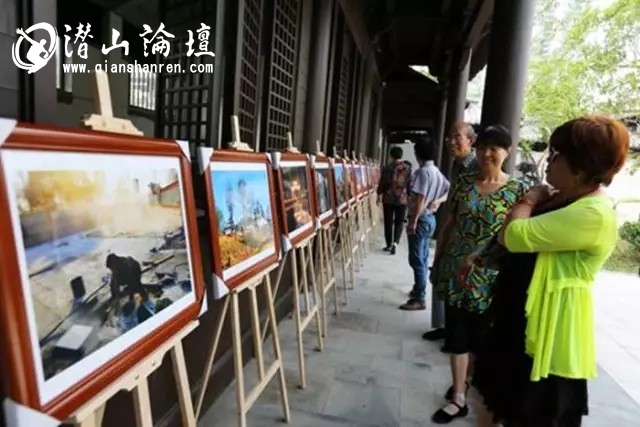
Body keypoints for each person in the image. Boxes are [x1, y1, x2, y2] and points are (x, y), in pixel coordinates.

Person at [472, 116, 630, 427]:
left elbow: (513, 235)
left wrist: (529, 198)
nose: (548, 161)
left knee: (532, 413)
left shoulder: (593, 212)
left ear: (581, 168)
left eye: (556, 155)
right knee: (495, 403)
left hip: (547, 331)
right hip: (517, 320)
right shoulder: (565, 197)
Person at [430, 126, 528, 424]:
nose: (487, 153)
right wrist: (438, 261)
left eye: (494, 148)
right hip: (455, 271)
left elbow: (518, 236)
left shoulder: (518, 191)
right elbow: (448, 225)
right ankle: (458, 397)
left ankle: (468, 381)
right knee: (457, 335)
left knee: (481, 339)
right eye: (482, 147)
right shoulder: (463, 183)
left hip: (492, 278)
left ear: (507, 152)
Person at [424, 122, 478, 343]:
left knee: (458, 281)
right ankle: (444, 328)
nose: (451, 142)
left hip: (467, 232)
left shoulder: (475, 166)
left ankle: (455, 335)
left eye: (457, 137)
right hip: (452, 226)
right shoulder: (457, 165)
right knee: (441, 275)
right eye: (449, 137)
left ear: (471, 141)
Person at [399, 137, 450, 311]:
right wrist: (437, 201)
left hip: (420, 219)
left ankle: (419, 297)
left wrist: (413, 221)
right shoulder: (436, 171)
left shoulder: (423, 172)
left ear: (417, 153)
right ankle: (418, 289)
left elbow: (420, 198)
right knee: (423, 255)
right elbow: (449, 189)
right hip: (430, 218)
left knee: (416, 259)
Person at [376, 145, 412, 254]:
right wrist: (409, 197)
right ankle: (395, 242)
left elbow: (382, 182)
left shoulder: (387, 167)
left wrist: (379, 194)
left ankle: (388, 244)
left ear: (391, 155)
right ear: (401, 155)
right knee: (399, 222)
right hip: (402, 198)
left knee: (388, 222)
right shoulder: (407, 168)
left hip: (388, 198)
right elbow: (409, 184)